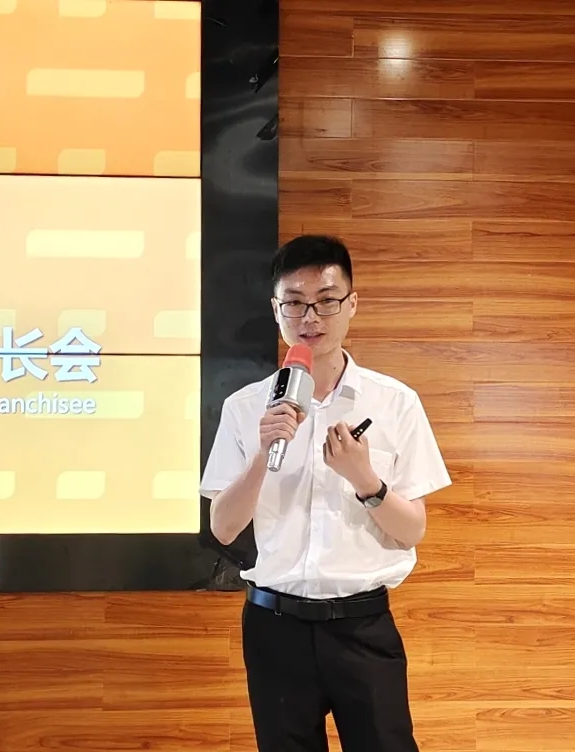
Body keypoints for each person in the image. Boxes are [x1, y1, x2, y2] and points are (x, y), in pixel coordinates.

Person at [199, 235, 452, 752]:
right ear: (276, 309)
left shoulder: (395, 402)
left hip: (362, 626)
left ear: (351, 304)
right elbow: (223, 528)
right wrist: (263, 454)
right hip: (274, 627)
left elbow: (412, 530)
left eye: (326, 301)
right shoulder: (245, 407)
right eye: (294, 302)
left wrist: (365, 479)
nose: (310, 317)